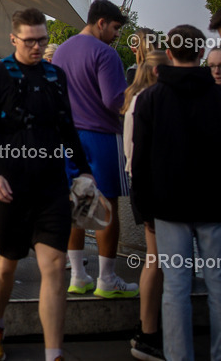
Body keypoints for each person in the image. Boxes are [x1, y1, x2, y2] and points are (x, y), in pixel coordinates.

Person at [0, 7, 94, 361]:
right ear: (14, 39)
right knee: (6, 264)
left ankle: (54, 354)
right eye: (30, 41)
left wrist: (84, 170)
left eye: (43, 40)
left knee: (53, 266)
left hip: (51, 187)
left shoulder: (55, 76)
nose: (37, 47)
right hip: (9, 187)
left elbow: (67, 127)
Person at [132, 25, 221, 361]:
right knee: (218, 284)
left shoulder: (151, 99)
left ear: (169, 53)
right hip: (213, 206)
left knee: (176, 287)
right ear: (201, 53)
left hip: (168, 209)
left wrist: (143, 210)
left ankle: (178, 356)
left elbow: (140, 161)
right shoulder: (217, 96)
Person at [54, 0, 135, 298]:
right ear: (101, 22)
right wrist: (138, 92)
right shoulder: (106, 54)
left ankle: (77, 276)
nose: (116, 35)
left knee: (77, 205)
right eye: (115, 28)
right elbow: (114, 100)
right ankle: (107, 279)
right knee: (106, 208)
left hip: (69, 138)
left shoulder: (61, 51)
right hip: (101, 136)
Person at [121, 49, 169, 361]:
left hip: (142, 181)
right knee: (157, 259)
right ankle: (148, 329)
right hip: (152, 184)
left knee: (157, 258)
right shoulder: (149, 102)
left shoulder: (133, 100)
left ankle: (148, 328)